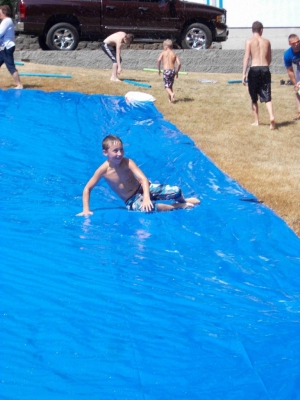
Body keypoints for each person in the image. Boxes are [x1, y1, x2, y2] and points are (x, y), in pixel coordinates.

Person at [76, 135, 200, 216]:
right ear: (105, 153)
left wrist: (146, 197)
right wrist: (86, 209)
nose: (120, 153)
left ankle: (183, 200)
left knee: (176, 191)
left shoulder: (127, 162)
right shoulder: (103, 170)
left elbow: (143, 179)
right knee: (149, 208)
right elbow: (87, 188)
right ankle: (177, 206)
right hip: (131, 199)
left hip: (142, 189)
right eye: (115, 151)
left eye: (121, 149)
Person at [242, 21, 275, 130]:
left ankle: (256, 121)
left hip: (254, 68)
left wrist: (243, 74)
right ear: (261, 30)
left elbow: (247, 58)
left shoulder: (249, 41)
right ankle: (271, 117)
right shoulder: (267, 42)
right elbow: (269, 58)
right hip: (265, 68)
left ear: (252, 30)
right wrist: (265, 67)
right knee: (267, 95)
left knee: (254, 97)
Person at [0, 5, 23, 89]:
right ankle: (19, 84)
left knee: (10, 66)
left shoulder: (6, 21)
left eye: (0, 11)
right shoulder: (6, 21)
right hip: (3, 48)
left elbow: (0, 33)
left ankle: (19, 85)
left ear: (4, 12)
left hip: (7, 47)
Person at [283, 34, 300, 121]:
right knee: (297, 90)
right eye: (294, 43)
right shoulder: (287, 55)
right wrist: (296, 84)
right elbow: (290, 71)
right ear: (290, 44)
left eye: (298, 41)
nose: (297, 44)